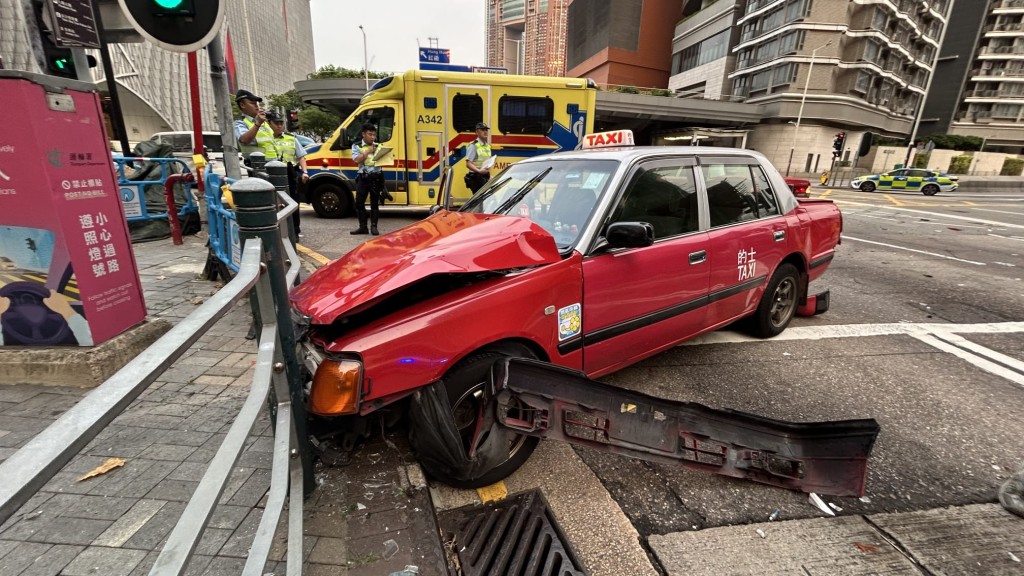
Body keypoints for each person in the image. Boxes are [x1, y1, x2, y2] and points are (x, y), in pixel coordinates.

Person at [266, 111, 309, 237]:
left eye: (281, 123)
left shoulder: (291, 138)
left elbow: (301, 157)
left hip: (290, 173)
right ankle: (277, 231)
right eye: (276, 123)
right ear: (269, 124)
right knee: (274, 204)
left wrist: (305, 172)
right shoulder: (266, 139)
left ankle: (294, 231)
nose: (279, 126)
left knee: (293, 203)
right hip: (272, 174)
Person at [351, 123, 386, 235]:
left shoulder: (379, 145)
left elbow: (385, 160)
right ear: (363, 134)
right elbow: (356, 160)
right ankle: (363, 227)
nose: (372, 137)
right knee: (359, 203)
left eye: (374, 135)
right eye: (370, 134)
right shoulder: (357, 146)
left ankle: (374, 227)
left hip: (376, 177)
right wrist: (367, 152)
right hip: (363, 178)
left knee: (374, 203)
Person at [232, 89, 274, 163]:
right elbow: (244, 140)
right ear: (242, 105)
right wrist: (258, 124)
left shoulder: (264, 122)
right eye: (252, 103)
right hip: (257, 165)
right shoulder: (240, 123)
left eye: (256, 103)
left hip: (274, 162)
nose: (256, 106)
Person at [464, 122, 493, 193]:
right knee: (480, 201)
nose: (485, 132)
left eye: (486, 130)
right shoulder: (473, 145)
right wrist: (479, 171)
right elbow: (468, 164)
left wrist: (489, 176)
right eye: (482, 130)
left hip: (485, 176)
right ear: (477, 132)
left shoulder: (487, 146)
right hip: (476, 177)